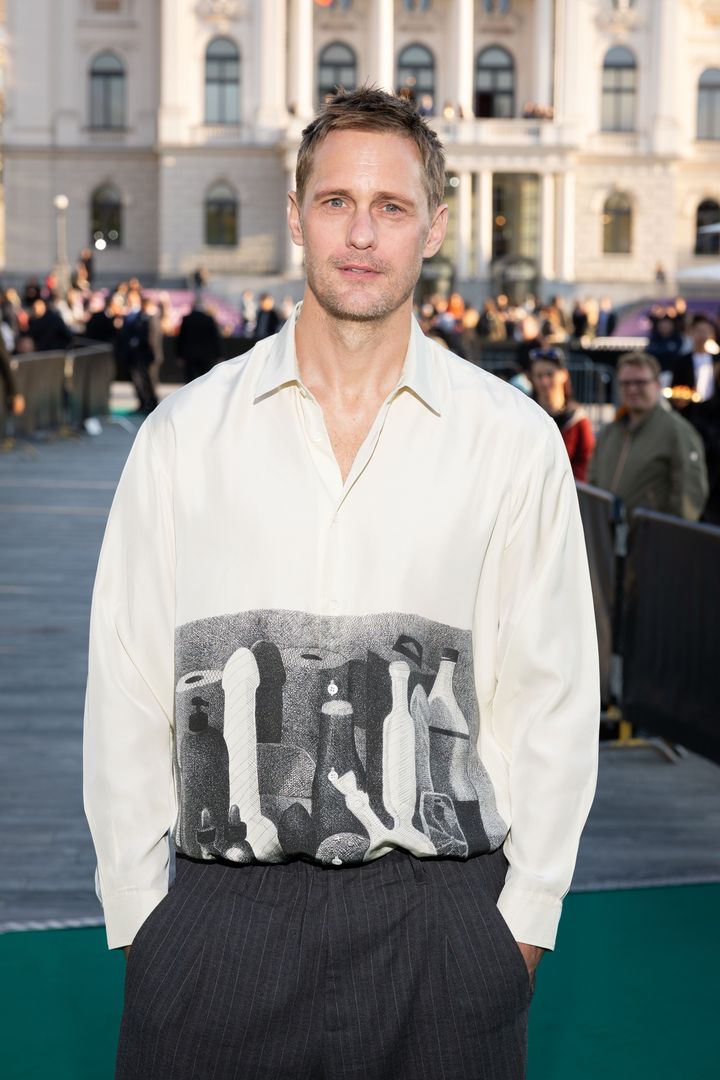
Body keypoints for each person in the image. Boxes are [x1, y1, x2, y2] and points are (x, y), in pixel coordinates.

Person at [84, 87, 599, 1080]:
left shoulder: (512, 442)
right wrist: (143, 922)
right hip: (218, 921)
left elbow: (555, 694)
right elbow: (127, 684)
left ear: (434, 227)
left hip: (443, 924)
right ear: (296, 215)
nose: (362, 235)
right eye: (336, 202)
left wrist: (522, 927)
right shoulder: (185, 436)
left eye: (391, 207)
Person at [588, 352, 708, 520]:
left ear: (657, 384)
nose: (632, 389)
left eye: (640, 382)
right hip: (606, 532)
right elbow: (592, 480)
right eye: (625, 383)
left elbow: (689, 495)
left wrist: (668, 531)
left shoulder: (678, 431)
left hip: (652, 533)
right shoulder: (609, 432)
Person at [529, 346, 595, 481]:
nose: (544, 382)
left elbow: (587, 463)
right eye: (539, 376)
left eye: (550, 374)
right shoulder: (527, 415)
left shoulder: (577, 419)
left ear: (563, 375)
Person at [176, 300, 222, 382]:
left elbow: (180, 339)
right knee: (205, 380)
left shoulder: (186, 319)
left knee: (190, 381)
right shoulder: (209, 319)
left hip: (189, 356)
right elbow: (215, 339)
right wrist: (219, 355)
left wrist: (179, 355)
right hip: (206, 356)